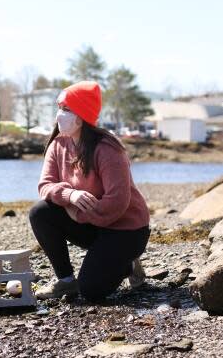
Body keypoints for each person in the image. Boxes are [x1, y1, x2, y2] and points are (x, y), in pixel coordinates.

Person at [29, 81, 150, 301]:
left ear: (82, 115)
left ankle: (129, 263)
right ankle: (65, 281)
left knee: (91, 291)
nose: (59, 115)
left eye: (66, 109)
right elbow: (44, 186)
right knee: (40, 212)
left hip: (126, 230)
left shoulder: (108, 149)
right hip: (94, 225)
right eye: (59, 108)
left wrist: (76, 213)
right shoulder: (58, 145)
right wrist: (70, 195)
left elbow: (117, 203)